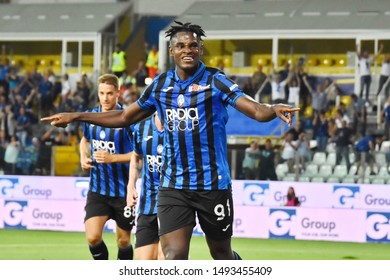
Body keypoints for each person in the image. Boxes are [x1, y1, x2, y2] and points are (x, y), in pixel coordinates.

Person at [41, 21, 299, 260]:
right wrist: (76, 116)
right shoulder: (160, 85)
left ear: (200, 49)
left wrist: (272, 108)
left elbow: (254, 109)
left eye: (193, 45)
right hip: (173, 186)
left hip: (212, 184)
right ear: (171, 50)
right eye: (181, 46)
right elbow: (123, 116)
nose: (188, 50)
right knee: (173, 257)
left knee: (221, 254)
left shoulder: (215, 81)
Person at [80, 73, 135, 260]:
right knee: (93, 237)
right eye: (101, 93)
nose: (105, 98)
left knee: (123, 242)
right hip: (98, 190)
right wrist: (83, 157)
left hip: (123, 192)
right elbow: (84, 140)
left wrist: (113, 158)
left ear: (118, 93)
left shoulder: (127, 119)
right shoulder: (91, 117)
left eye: (109, 93)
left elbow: (139, 157)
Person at [127, 113, 165, 260]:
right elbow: (136, 157)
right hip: (147, 206)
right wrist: (131, 186)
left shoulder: (180, 129)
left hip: (173, 206)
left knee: (166, 259)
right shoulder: (141, 128)